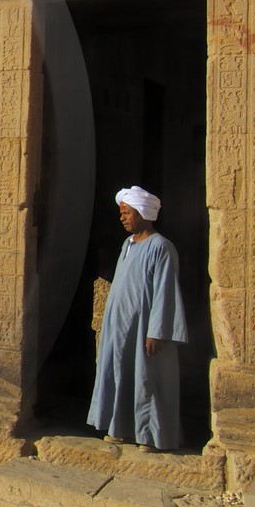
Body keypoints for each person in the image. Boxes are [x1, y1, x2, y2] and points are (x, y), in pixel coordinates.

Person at [87, 185, 189, 452]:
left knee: (148, 380)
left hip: (144, 327)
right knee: (120, 376)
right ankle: (121, 429)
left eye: (126, 212)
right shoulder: (127, 245)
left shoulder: (161, 247)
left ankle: (152, 437)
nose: (122, 217)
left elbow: (166, 292)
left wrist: (156, 331)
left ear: (142, 214)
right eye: (121, 213)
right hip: (120, 328)